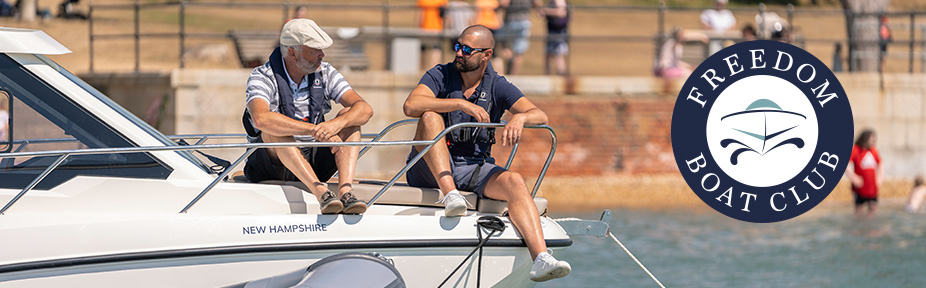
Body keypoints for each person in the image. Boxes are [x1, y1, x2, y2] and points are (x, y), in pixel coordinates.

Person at [403, 25, 571, 282]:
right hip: (430, 170)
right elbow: (411, 105)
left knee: (514, 181)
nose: (459, 53)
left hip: (472, 167)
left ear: (486, 55)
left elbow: (541, 115)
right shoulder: (439, 74)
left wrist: (521, 118)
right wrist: (460, 103)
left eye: (467, 50)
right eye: (457, 46)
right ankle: (450, 195)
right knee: (429, 115)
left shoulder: (498, 86)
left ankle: (541, 258)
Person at [243, 19, 374, 214]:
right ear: (292, 52)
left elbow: (365, 109)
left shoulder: (326, 72)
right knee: (273, 129)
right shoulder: (262, 76)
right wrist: (316, 130)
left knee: (350, 115)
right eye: (314, 49)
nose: (322, 54)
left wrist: (335, 125)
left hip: (314, 158)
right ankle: (321, 193)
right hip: (270, 165)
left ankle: (346, 193)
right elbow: (260, 119)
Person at [497, 0, 541, 75]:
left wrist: (497, 8)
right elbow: (537, 3)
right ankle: (513, 77)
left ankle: (510, 59)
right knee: (519, 52)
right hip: (524, 21)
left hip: (510, 21)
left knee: (504, 45)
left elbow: (504, 3)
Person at [848, 129, 881, 217]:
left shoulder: (873, 150)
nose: (873, 141)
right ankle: (859, 228)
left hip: (872, 187)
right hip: (860, 187)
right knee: (859, 209)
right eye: (871, 139)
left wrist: (880, 177)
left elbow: (880, 163)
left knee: (873, 208)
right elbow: (846, 164)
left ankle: (871, 227)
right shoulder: (856, 150)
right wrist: (853, 177)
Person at [540, 0, 568, 75]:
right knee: (548, 55)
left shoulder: (559, 1)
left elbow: (561, 13)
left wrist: (546, 11)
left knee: (558, 55)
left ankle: (561, 75)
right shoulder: (552, 2)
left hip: (558, 32)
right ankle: (547, 76)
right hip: (552, 31)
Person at [418, 0, 449, 69]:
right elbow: (445, 15)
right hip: (438, 28)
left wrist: (419, 27)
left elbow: (420, 15)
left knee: (423, 50)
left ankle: (422, 69)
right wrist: (446, 27)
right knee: (436, 50)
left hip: (425, 27)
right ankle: (434, 69)